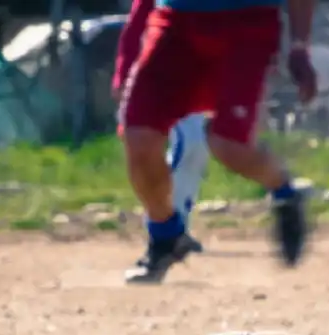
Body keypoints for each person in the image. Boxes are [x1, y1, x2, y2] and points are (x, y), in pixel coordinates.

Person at [113, 0, 318, 285]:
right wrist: (127, 56)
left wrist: (299, 46)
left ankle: (284, 190)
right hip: (175, 22)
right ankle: (166, 235)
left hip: (247, 24)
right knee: (139, 138)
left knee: (228, 145)